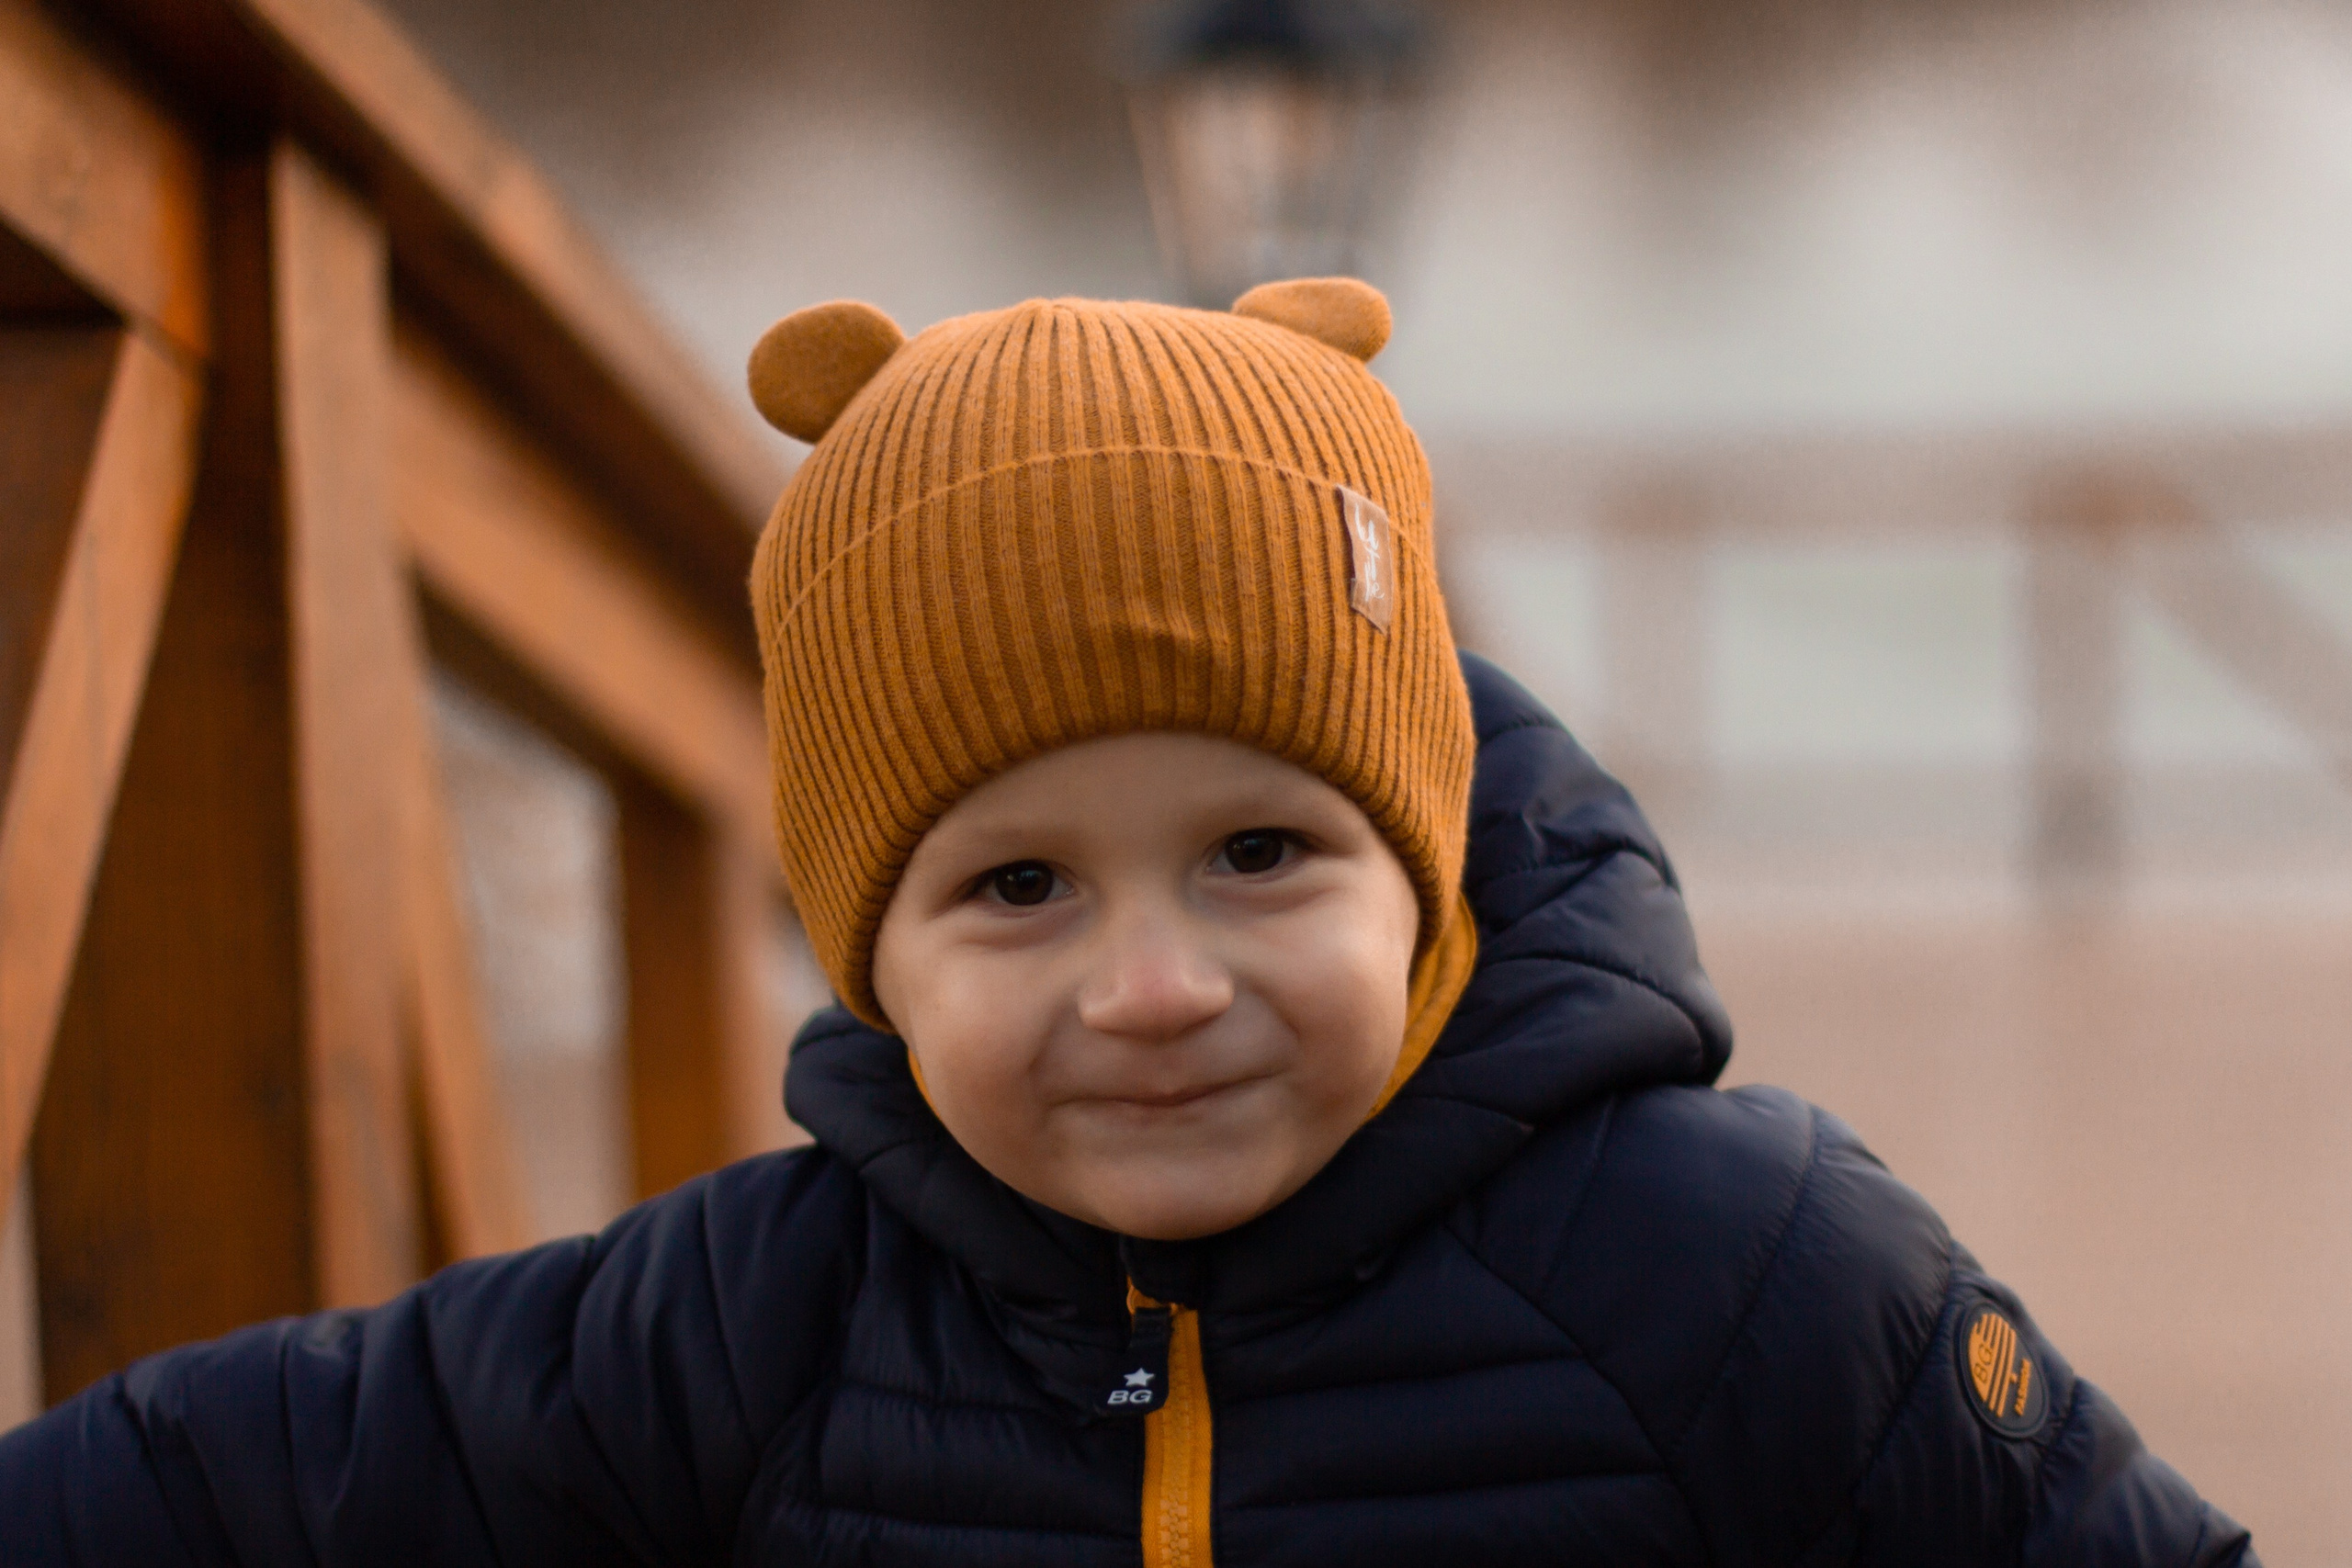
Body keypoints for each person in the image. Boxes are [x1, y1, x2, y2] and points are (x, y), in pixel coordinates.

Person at [0, 278, 2255, 1566]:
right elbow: (243, 1471)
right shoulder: (754, 1314)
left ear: (1424, 851)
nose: (1154, 984)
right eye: (1010, 887)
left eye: (1261, 852)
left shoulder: (1748, 1261)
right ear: (867, 951)